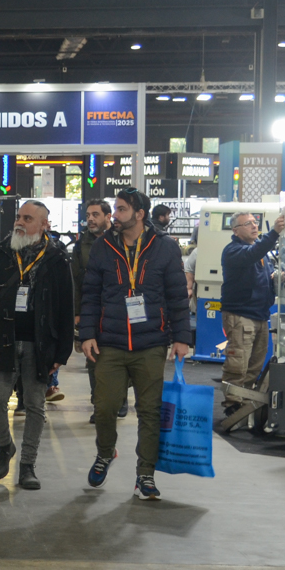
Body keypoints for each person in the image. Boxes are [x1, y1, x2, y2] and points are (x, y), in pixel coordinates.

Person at [78, 188, 191, 502]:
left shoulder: (165, 247)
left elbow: (177, 296)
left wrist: (182, 337)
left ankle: (145, 474)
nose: (115, 215)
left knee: (150, 412)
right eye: (115, 209)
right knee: (104, 408)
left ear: (140, 214)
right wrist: (86, 334)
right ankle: (105, 452)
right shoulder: (103, 247)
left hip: (151, 342)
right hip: (110, 342)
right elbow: (90, 294)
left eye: (121, 209)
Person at [0, 200, 72, 488]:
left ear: (44, 225)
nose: (19, 222)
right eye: (19, 217)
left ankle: (28, 465)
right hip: (2, 339)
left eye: (27, 218)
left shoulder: (57, 259)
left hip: (40, 344)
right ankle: (5, 446)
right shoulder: (0, 253)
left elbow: (66, 308)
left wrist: (62, 352)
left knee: (34, 405)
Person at [220, 210, 285, 412]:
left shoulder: (261, 254)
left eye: (255, 222)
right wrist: (274, 232)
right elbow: (251, 254)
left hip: (259, 315)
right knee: (238, 363)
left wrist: (276, 278)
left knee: (254, 364)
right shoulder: (233, 251)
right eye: (248, 223)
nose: (254, 226)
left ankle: (244, 401)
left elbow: (260, 271)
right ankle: (232, 404)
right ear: (236, 230)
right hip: (240, 315)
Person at [72, 198, 124, 424]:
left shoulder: (121, 239)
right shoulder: (80, 245)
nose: (90, 219)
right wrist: (77, 312)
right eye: (88, 215)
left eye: (95, 215)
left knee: (120, 357)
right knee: (93, 358)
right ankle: (99, 404)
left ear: (108, 217)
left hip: (118, 309)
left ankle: (120, 399)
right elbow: (75, 281)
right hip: (92, 309)